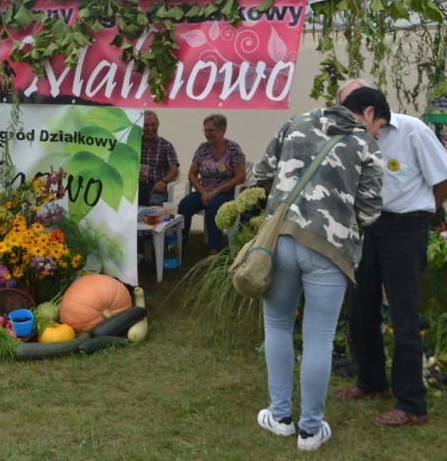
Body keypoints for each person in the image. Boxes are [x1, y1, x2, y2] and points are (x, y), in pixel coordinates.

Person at [253, 87, 389, 451]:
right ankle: (311, 431)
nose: (378, 134)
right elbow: (372, 210)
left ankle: (279, 416)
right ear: (369, 113)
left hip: (280, 240)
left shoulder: (295, 122)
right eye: (381, 127)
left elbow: (261, 171)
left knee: (278, 325)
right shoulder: (365, 145)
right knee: (318, 339)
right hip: (330, 250)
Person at [336, 78, 447, 428]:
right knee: (360, 309)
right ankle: (371, 382)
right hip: (368, 228)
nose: (351, 129)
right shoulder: (356, 138)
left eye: (355, 120)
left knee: (403, 316)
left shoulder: (413, 131)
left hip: (405, 230)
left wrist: (422, 212)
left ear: (371, 113)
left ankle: (411, 403)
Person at [178, 113, 246, 255]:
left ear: (222, 130)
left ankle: (214, 249)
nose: (207, 134)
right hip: (205, 191)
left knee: (213, 206)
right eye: (205, 130)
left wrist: (215, 191)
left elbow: (240, 177)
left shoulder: (233, 149)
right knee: (184, 205)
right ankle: (180, 243)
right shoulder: (202, 149)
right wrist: (203, 192)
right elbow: (192, 174)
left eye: (211, 130)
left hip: (226, 192)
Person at [138, 110, 179, 206]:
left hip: (156, 186)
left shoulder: (166, 145)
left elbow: (174, 169)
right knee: (125, 208)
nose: (150, 128)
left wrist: (164, 181)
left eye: (153, 124)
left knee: (155, 211)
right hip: (135, 185)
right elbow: (124, 165)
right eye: (146, 125)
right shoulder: (134, 144)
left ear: (158, 124)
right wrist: (133, 175)